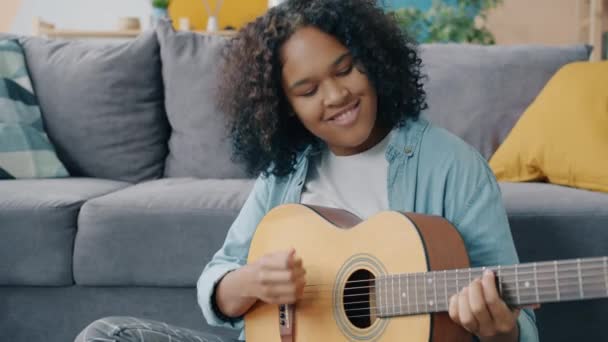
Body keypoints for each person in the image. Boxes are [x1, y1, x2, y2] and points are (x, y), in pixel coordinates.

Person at [75, 1, 539, 341]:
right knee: (108, 334)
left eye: (346, 69)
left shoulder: (453, 167)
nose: (336, 96)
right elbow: (219, 278)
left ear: (375, 63)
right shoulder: (288, 172)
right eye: (307, 89)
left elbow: (522, 326)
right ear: (285, 108)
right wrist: (249, 282)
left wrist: (501, 331)